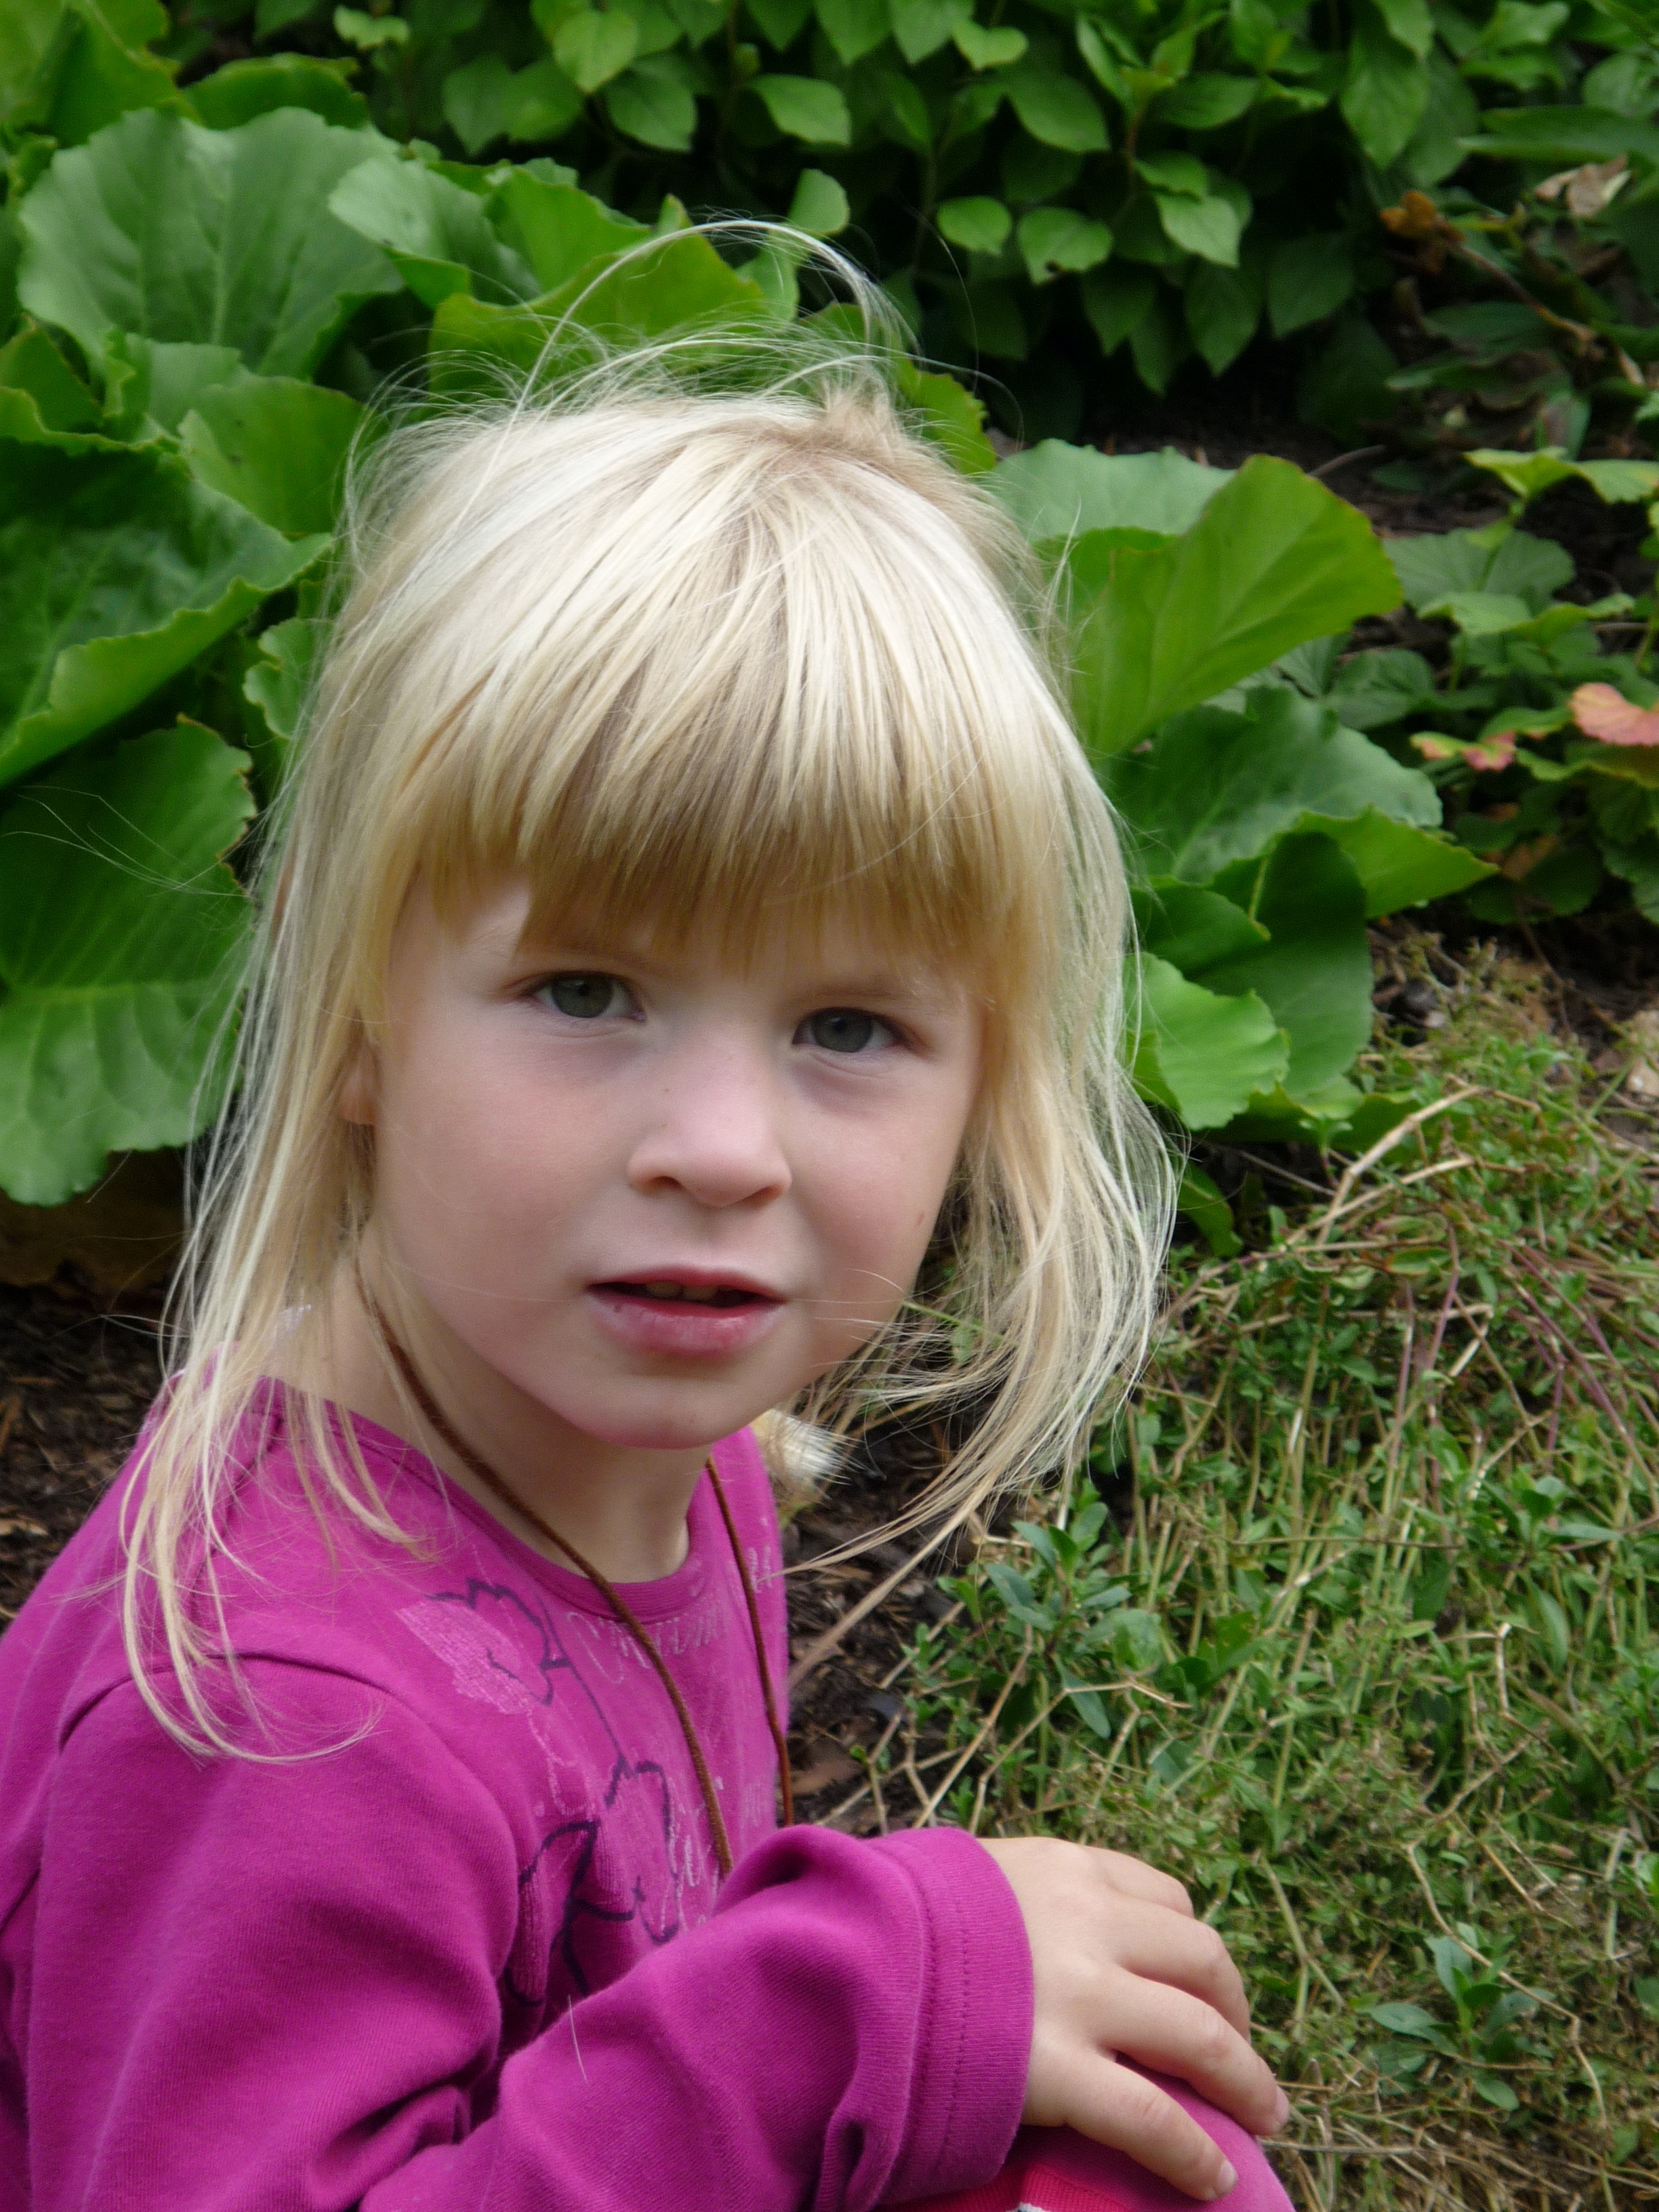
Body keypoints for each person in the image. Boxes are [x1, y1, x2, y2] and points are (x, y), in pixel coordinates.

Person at [0, 276, 1294, 2212]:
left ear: (984, 1083)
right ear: (355, 1018)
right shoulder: (281, 1720)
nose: (716, 1153)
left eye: (848, 1031)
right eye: (588, 990)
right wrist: (841, 2007)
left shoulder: (655, 1451)